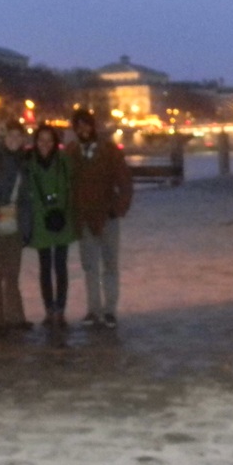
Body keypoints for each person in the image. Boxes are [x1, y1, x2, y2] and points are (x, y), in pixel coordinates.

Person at [67, 108, 132, 328]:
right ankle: (94, 309)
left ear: (93, 126)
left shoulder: (109, 150)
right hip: (84, 217)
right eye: (79, 125)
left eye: (86, 124)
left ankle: (110, 310)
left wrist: (117, 209)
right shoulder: (71, 152)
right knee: (89, 267)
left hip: (107, 216)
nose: (83, 129)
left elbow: (124, 182)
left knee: (110, 264)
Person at [0, 121, 33, 337]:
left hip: (15, 225)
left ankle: (15, 317)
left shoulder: (24, 163)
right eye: (11, 136)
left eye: (19, 137)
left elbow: (25, 201)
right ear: (3, 138)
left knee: (12, 273)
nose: (15, 140)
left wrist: (26, 228)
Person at [26, 123, 75, 328]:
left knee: (61, 266)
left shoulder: (64, 161)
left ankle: (61, 309)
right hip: (40, 220)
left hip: (62, 218)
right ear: (35, 143)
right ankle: (49, 309)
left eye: (49, 140)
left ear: (55, 142)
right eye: (41, 140)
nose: (45, 144)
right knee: (45, 267)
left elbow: (72, 186)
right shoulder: (29, 163)